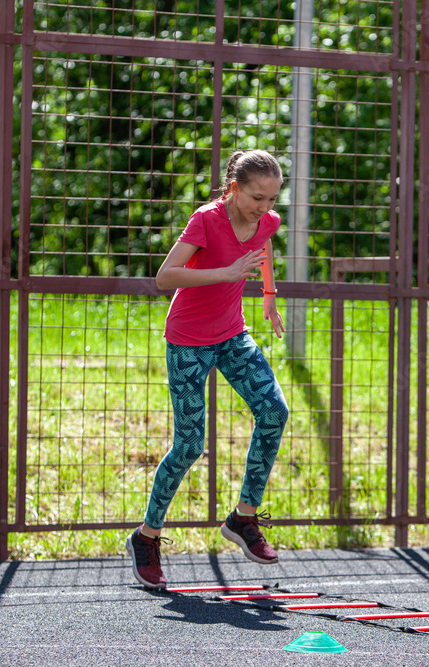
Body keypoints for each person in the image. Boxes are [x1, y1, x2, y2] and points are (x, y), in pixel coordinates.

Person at [126, 149, 290, 589]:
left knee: (275, 412)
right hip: (188, 342)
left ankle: (243, 518)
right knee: (189, 445)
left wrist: (269, 295)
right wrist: (226, 272)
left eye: (273, 199)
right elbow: (166, 276)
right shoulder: (206, 219)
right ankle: (147, 537)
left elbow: (264, 244)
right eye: (257, 197)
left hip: (232, 335)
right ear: (234, 189)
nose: (265, 208)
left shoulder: (266, 221)